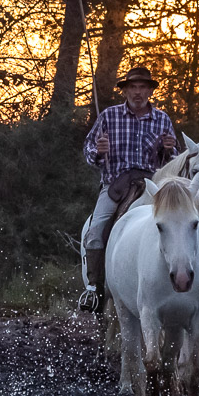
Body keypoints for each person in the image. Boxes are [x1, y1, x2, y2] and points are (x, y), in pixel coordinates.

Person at [81, 65, 176, 302]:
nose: (137, 92)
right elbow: (88, 149)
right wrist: (99, 152)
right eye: (132, 87)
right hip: (115, 186)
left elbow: (173, 161)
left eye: (142, 87)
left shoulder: (163, 120)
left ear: (150, 91)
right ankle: (94, 289)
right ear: (125, 91)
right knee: (94, 232)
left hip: (152, 186)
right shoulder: (109, 116)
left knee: (179, 224)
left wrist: (169, 150)